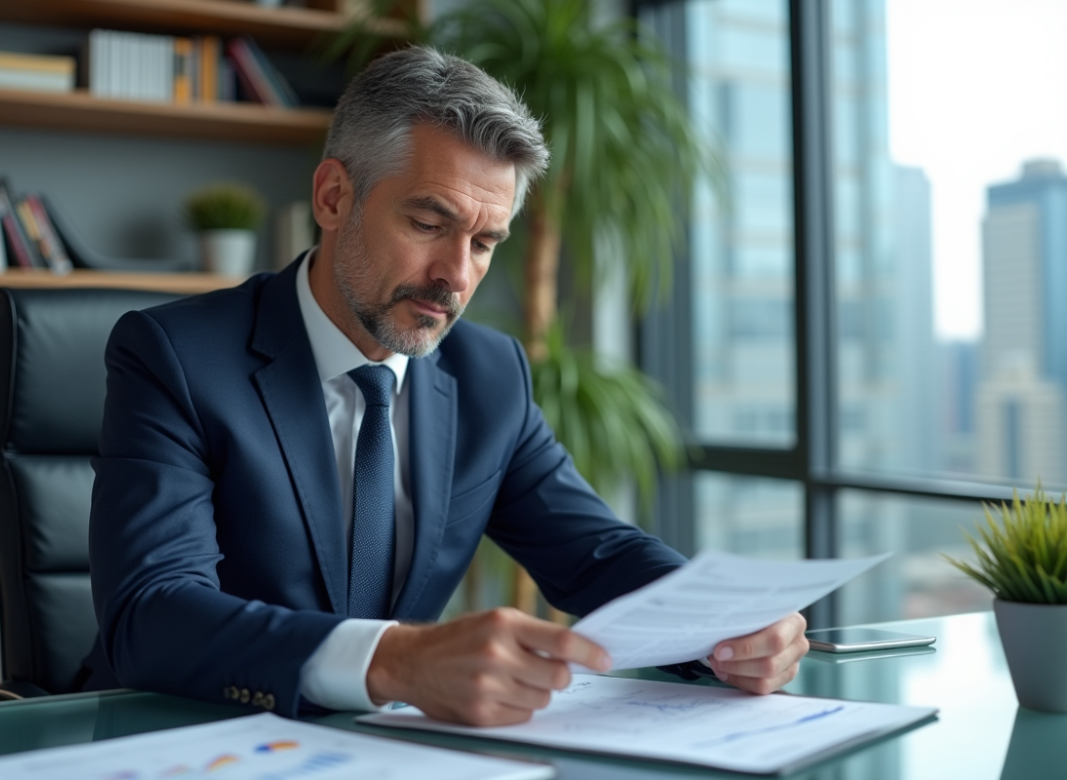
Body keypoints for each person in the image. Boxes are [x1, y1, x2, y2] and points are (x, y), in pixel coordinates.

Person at [82, 46, 808, 726]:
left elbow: (595, 553)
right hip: (177, 737)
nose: (457, 276)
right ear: (334, 197)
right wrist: (396, 659)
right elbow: (153, 613)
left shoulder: (489, 374)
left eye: (486, 243)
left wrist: (723, 627)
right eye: (430, 222)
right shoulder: (174, 355)